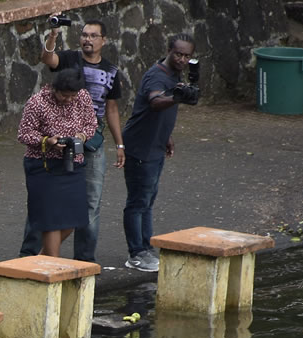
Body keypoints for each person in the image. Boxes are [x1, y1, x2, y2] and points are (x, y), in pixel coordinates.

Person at [24, 18, 126, 262]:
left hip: (91, 139)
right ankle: (29, 255)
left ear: (104, 40)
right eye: (84, 35)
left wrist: (119, 144)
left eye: (93, 36)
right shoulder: (70, 58)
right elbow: (48, 59)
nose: (87, 39)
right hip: (51, 146)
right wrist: (53, 34)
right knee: (45, 206)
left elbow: (111, 109)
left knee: (88, 205)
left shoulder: (111, 71)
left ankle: (83, 261)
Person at [122, 34, 197, 273]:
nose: (182, 59)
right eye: (178, 54)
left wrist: (166, 136)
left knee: (148, 200)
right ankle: (136, 253)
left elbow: (161, 111)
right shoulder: (156, 75)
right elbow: (155, 101)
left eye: (187, 56)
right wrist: (176, 96)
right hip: (140, 146)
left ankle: (146, 248)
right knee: (138, 201)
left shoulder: (174, 74)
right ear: (169, 50)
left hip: (154, 145)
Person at [17, 69, 97, 257]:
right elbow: (24, 133)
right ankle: (51, 266)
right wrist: (48, 141)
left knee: (75, 217)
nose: (68, 100)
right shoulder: (38, 102)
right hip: (44, 167)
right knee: (52, 221)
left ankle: (41, 259)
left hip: (73, 163)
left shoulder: (83, 97)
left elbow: (91, 123)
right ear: (54, 89)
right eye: (64, 95)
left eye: (72, 96)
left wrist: (82, 136)